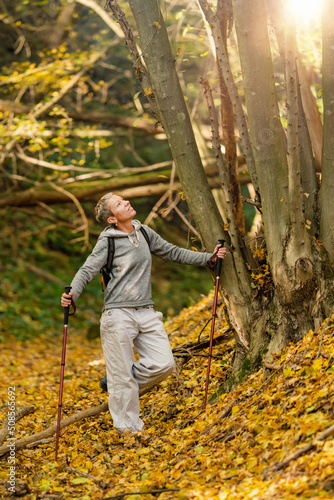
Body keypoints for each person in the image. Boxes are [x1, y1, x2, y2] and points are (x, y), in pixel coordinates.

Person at [61, 192, 227, 434]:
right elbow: (87, 270)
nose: (126, 203)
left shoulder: (144, 232)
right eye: (119, 204)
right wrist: (72, 293)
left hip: (146, 311)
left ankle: (116, 382)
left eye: (124, 199)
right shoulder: (107, 241)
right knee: (122, 378)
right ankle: (128, 431)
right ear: (111, 219)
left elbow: (173, 252)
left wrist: (207, 259)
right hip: (118, 314)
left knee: (164, 364)